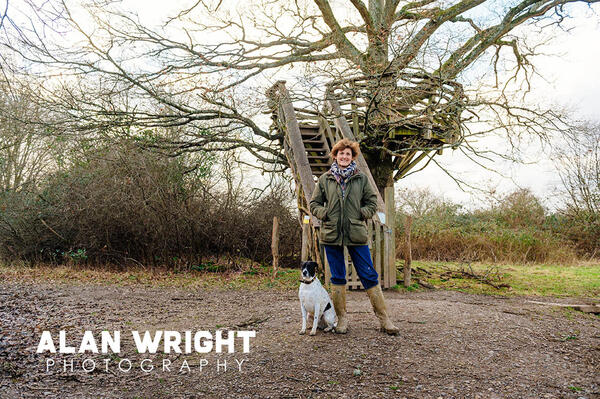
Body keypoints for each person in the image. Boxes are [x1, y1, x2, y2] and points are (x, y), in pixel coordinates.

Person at [309, 138, 399, 335]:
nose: (344, 156)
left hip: (356, 233)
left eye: (348, 154)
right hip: (331, 234)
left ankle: (384, 319)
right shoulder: (325, 179)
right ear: (335, 155)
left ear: (352, 157)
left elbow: (372, 202)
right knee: (338, 276)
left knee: (368, 274)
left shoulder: (361, 178)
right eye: (341, 153)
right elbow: (314, 204)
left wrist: (362, 213)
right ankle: (342, 319)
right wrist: (325, 214)